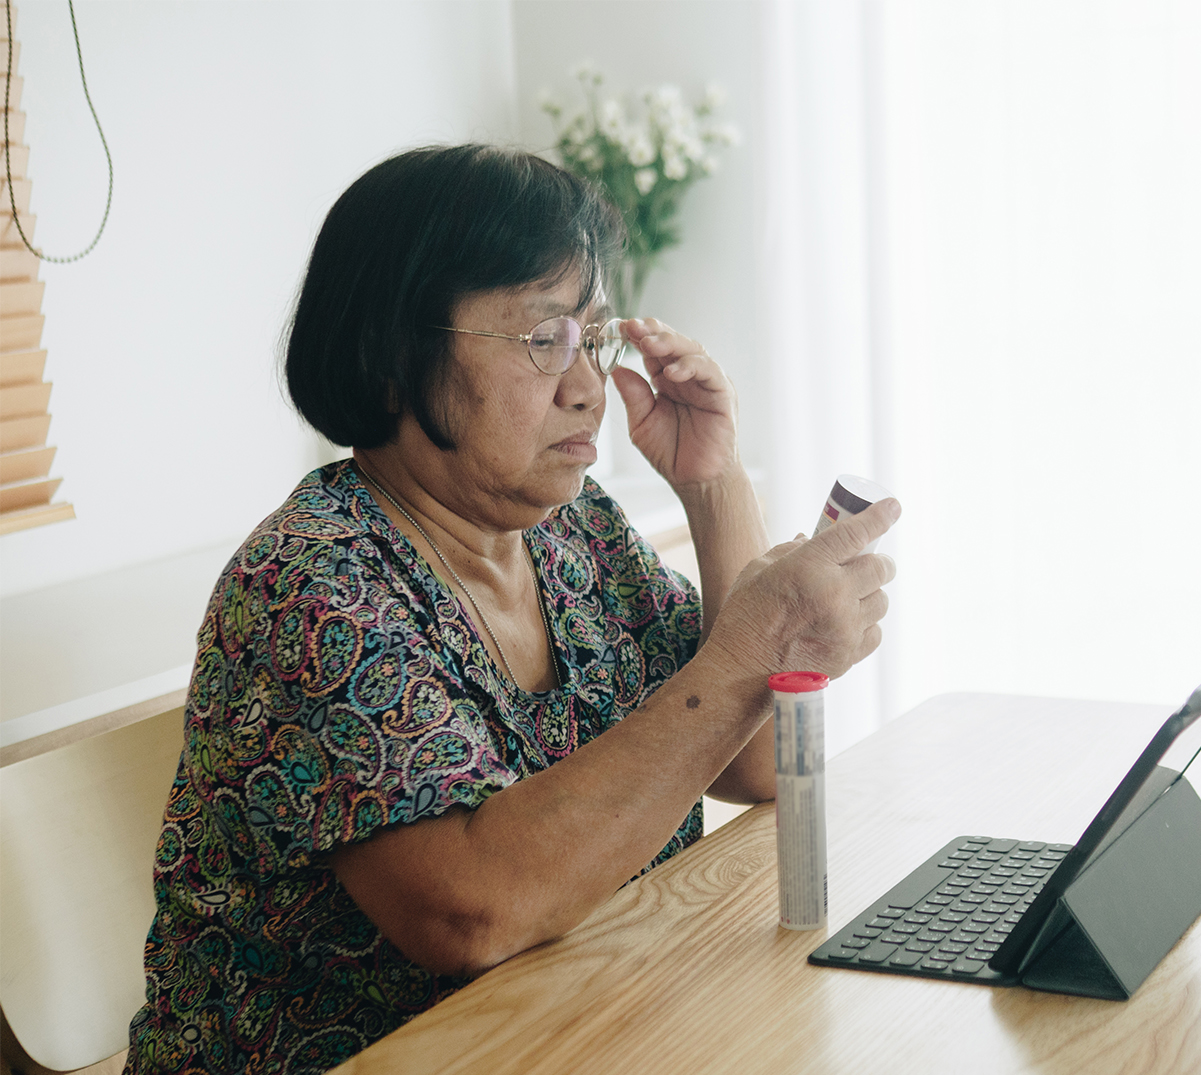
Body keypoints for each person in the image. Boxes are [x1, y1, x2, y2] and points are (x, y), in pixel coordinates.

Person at [124, 145, 897, 1075]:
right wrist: (752, 646)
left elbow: (755, 759)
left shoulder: (572, 531)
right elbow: (473, 907)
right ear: (391, 358)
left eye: (592, 338)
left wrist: (715, 485)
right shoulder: (307, 584)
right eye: (542, 340)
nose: (586, 386)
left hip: (581, 1027)